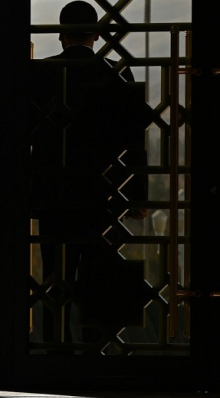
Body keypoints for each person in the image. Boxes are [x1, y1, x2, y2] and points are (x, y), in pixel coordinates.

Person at [30, 1, 150, 349]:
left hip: (54, 195)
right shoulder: (117, 72)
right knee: (99, 277)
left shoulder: (41, 74)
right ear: (98, 35)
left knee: (55, 277)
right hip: (106, 193)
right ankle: (93, 352)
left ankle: (55, 349)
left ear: (60, 35)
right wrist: (136, 194)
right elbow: (134, 138)